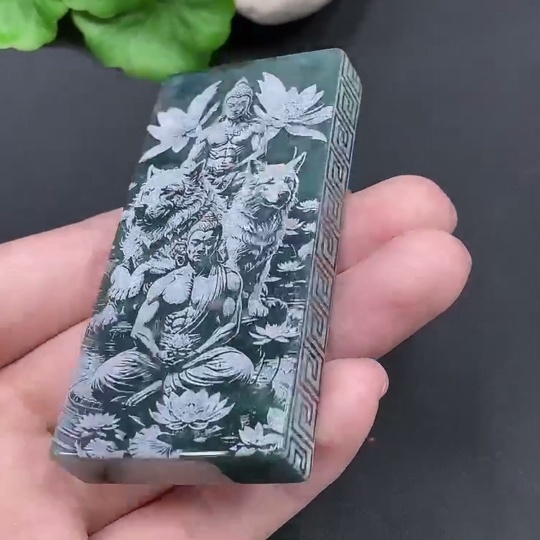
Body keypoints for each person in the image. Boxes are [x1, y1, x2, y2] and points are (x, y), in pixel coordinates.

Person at [0, 176, 471, 539]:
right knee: (106, 378)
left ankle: (193, 397)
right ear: (187, 246)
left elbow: (229, 325)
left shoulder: (227, 279)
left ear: (216, 244)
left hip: (199, 355)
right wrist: (158, 352)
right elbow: (142, 325)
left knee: (239, 365)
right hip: (155, 355)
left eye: (208, 243)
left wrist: (198, 351)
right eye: (195, 243)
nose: (201, 248)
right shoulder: (168, 281)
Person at [186, 77, 270, 200]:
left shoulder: (253, 128)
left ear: (247, 106)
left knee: (254, 184)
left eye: (241, 105)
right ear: (225, 104)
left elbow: (260, 153)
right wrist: (190, 171)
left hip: (237, 177)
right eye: (231, 105)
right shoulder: (209, 131)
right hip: (207, 177)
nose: (235, 108)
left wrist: (237, 166)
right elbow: (191, 159)